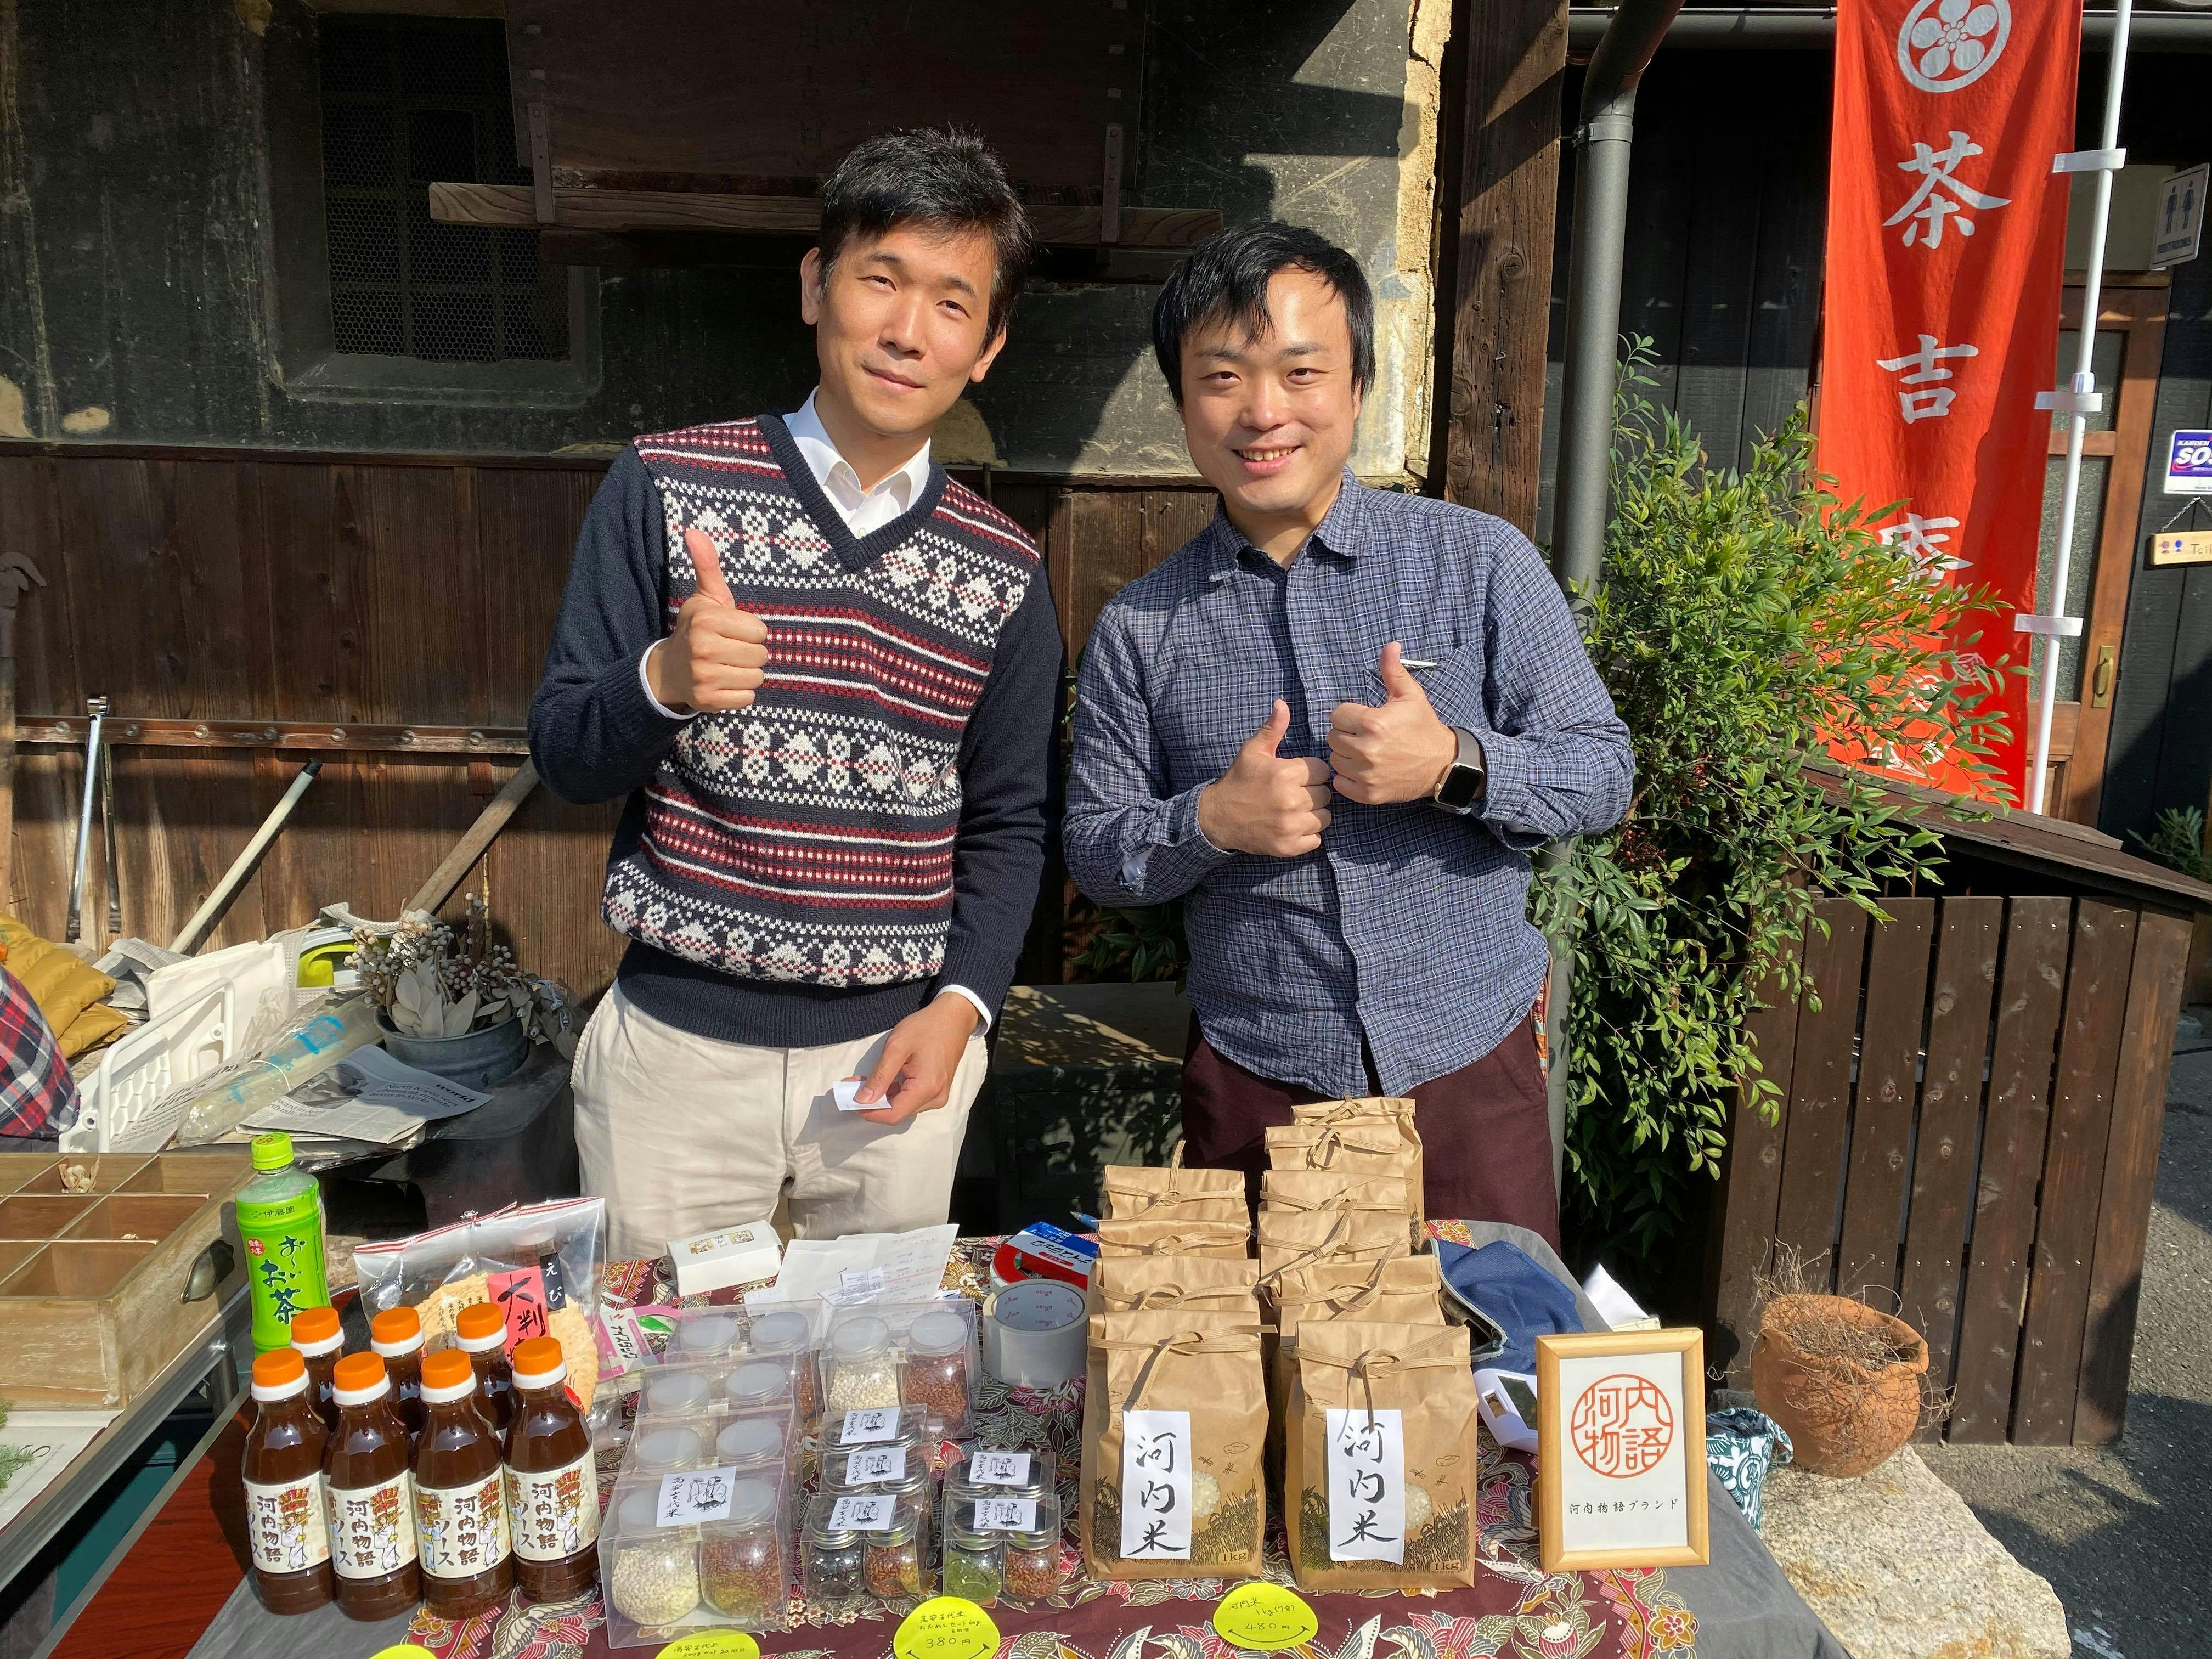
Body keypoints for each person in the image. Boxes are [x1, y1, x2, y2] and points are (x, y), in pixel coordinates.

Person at [530, 129, 1059, 1259]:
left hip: (894, 1064)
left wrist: (962, 1007)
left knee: (878, 1365)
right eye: (881, 279)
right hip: (674, 1058)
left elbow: (1011, 822)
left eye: (952, 303)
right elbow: (567, 752)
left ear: (987, 347)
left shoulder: (1005, 567)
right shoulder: (665, 485)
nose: (908, 331)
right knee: (662, 1357)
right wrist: (664, 682)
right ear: (817, 285)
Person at [1063, 221, 1633, 1245]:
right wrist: (1211, 822)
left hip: (1467, 1061)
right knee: (1266, 1344)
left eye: (1301, 371)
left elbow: (1601, 773)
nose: (1263, 411)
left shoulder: (1479, 562)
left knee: (1490, 1339)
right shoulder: (1141, 626)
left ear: (1360, 386)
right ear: (1183, 405)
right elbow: (1097, 853)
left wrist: (1453, 763)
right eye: (1223, 377)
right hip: (1257, 1076)